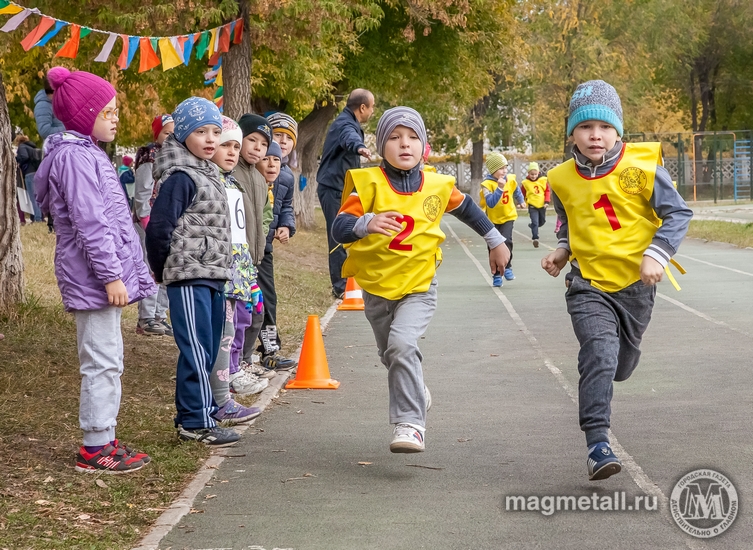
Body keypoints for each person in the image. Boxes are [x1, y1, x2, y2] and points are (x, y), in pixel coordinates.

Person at [332, 107, 510, 453]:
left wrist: (495, 240)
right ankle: (417, 390)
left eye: (413, 137)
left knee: (401, 345)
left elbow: (469, 209)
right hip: (377, 288)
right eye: (395, 137)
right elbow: (339, 227)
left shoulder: (437, 184)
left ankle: (410, 424)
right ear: (382, 145)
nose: (405, 144)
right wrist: (365, 223)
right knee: (391, 353)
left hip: (419, 285)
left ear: (423, 146)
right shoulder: (366, 185)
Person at [541, 80, 692, 480]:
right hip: (587, 284)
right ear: (572, 132)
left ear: (618, 131)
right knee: (601, 353)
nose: (595, 135)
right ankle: (597, 444)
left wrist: (655, 254)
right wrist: (562, 251)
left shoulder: (643, 167)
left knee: (619, 365)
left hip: (636, 287)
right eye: (586, 126)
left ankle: (604, 361)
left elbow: (678, 214)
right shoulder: (559, 178)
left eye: (605, 127)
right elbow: (568, 221)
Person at [33, 66, 155, 473]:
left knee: (110, 359)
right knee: (101, 360)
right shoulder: (74, 158)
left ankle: (106, 436)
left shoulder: (90, 154)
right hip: (93, 279)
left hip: (101, 278)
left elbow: (114, 221)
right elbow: (91, 224)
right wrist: (112, 276)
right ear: (86, 115)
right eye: (108, 111)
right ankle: (94, 446)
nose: (116, 117)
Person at [145, 97, 239, 447]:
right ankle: (194, 422)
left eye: (216, 131)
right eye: (201, 132)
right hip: (188, 274)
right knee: (196, 348)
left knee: (209, 346)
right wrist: (162, 269)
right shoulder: (181, 176)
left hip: (213, 273)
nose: (211, 139)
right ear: (184, 134)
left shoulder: (207, 172)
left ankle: (202, 411)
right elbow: (159, 228)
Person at [207, 116, 266, 420]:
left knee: (230, 333)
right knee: (220, 336)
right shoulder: (210, 182)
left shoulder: (233, 184)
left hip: (237, 277)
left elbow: (239, 240)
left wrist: (250, 280)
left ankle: (223, 391)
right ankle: (217, 397)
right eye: (225, 145)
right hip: (217, 276)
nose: (231, 152)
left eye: (235, 146)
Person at [316, 89, 375, 299]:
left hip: (342, 188)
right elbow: (348, 138)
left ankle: (352, 279)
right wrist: (359, 147)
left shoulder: (349, 122)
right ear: (362, 108)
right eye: (372, 107)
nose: (372, 111)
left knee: (352, 233)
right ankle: (340, 286)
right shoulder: (345, 124)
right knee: (337, 236)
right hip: (333, 188)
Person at [252, 112, 298, 370]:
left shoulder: (286, 177)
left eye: (287, 138)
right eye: (277, 135)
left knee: (268, 298)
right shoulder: (251, 175)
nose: (282, 141)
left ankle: (270, 349)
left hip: (265, 249)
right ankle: (241, 355)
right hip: (244, 249)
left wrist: (286, 226)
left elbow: (286, 207)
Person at [234, 114, 277, 375]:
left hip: (254, 261)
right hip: (235, 261)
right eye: (252, 140)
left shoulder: (261, 180)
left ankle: (246, 360)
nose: (258, 148)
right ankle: (233, 364)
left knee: (256, 312)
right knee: (237, 316)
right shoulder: (229, 172)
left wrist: (261, 236)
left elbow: (265, 215)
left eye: (263, 143)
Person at [132, 115, 174, 337]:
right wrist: (147, 220)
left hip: (168, 222)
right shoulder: (150, 157)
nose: (170, 137)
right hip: (149, 222)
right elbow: (142, 193)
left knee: (167, 270)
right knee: (151, 268)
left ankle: (160, 315)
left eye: (174, 133)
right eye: (166, 132)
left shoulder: (175, 156)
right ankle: (146, 318)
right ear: (156, 133)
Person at [479, 152, 525, 287]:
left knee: (507, 241)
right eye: (501, 168)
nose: (504, 171)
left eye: (506, 167)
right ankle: (496, 275)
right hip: (492, 220)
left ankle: (508, 266)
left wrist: (521, 200)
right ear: (493, 170)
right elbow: (491, 203)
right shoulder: (487, 185)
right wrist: (499, 188)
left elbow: (516, 190)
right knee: (493, 246)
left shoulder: (510, 179)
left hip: (508, 216)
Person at [520, 161, 551, 248]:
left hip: (542, 205)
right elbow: (522, 193)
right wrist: (522, 202)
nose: (533, 176)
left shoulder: (543, 180)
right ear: (528, 173)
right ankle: (535, 238)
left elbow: (547, 191)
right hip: (532, 205)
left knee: (542, 221)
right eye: (531, 174)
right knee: (535, 221)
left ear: (538, 173)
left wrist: (547, 201)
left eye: (535, 174)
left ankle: (533, 226)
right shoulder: (525, 183)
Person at [14, 134, 44, 222]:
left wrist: (17, 159)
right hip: (37, 172)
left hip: (29, 173)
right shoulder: (33, 147)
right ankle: (40, 216)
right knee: (37, 196)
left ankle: (37, 218)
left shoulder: (22, 147)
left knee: (32, 197)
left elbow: (24, 157)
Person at [33, 74, 65, 140]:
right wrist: (68, 129)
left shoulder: (57, 102)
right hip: (55, 146)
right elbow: (45, 131)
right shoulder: (43, 106)